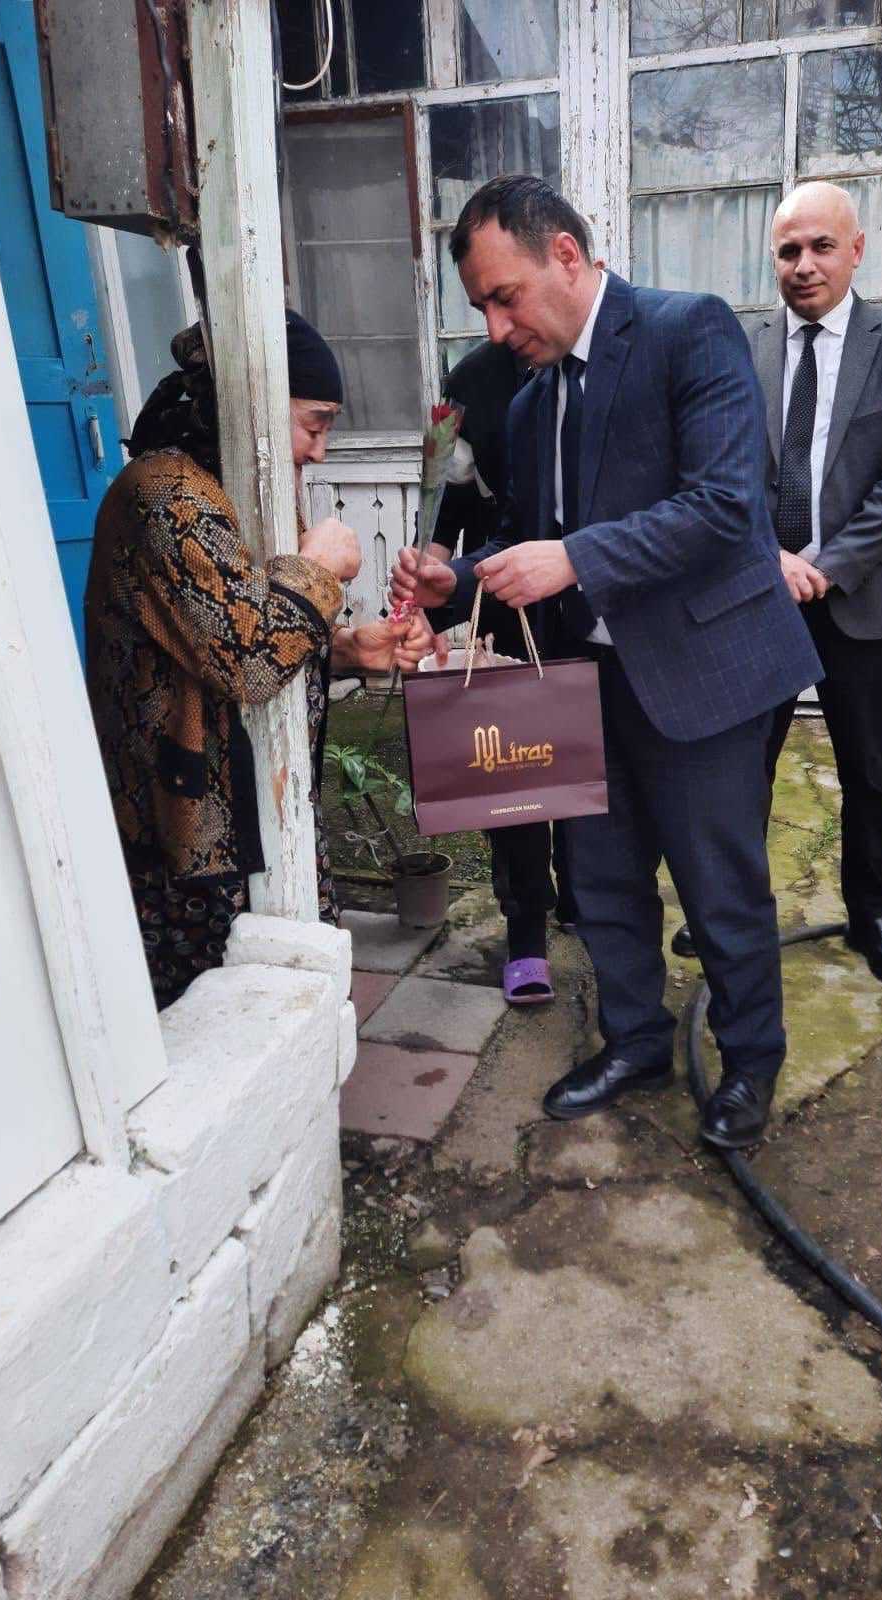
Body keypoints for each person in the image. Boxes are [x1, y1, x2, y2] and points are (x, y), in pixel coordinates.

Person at [392, 175, 820, 1149]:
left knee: (721, 888)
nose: (496, 328)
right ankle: (634, 1042)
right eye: (482, 307)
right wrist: (452, 581)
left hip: (702, 676)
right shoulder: (533, 401)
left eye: (506, 297)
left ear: (566, 256)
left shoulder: (687, 330)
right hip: (585, 682)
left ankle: (751, 1061)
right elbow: (525, 540)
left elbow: (724, 508)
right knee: (603, 879)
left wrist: (576, 557)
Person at [86, 311, 431, 1009]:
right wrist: (316, 571)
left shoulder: (241, 488)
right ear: (258, 410)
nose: (320, 453)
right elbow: (246, 659)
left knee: (301, 991)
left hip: (267, 810)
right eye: (314, 425)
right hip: (194, 834)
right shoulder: (165, 495)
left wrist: (347, 649)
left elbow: (248, 632)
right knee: (225, 1011)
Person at [674, 184, 882, 985]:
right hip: (758, 595)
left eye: (822, 246)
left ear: (856, 249)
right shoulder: (739, 343)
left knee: (868, 771)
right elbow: (713, 464)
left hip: (861, 594)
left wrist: (828, 567)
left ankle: (871, 915)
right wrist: (767, 557)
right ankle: (729, 911)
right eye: (789, 250)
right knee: (742, 768)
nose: (804, 265)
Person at [429, 337, 577, 1006]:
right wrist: (424, 594)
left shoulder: (600, 360)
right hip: (500, 592)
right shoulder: (464, 380)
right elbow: (441, 499)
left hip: (592, 600)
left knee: (579, 758)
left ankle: (581, 894)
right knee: (515, 770)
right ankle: (526, 933)